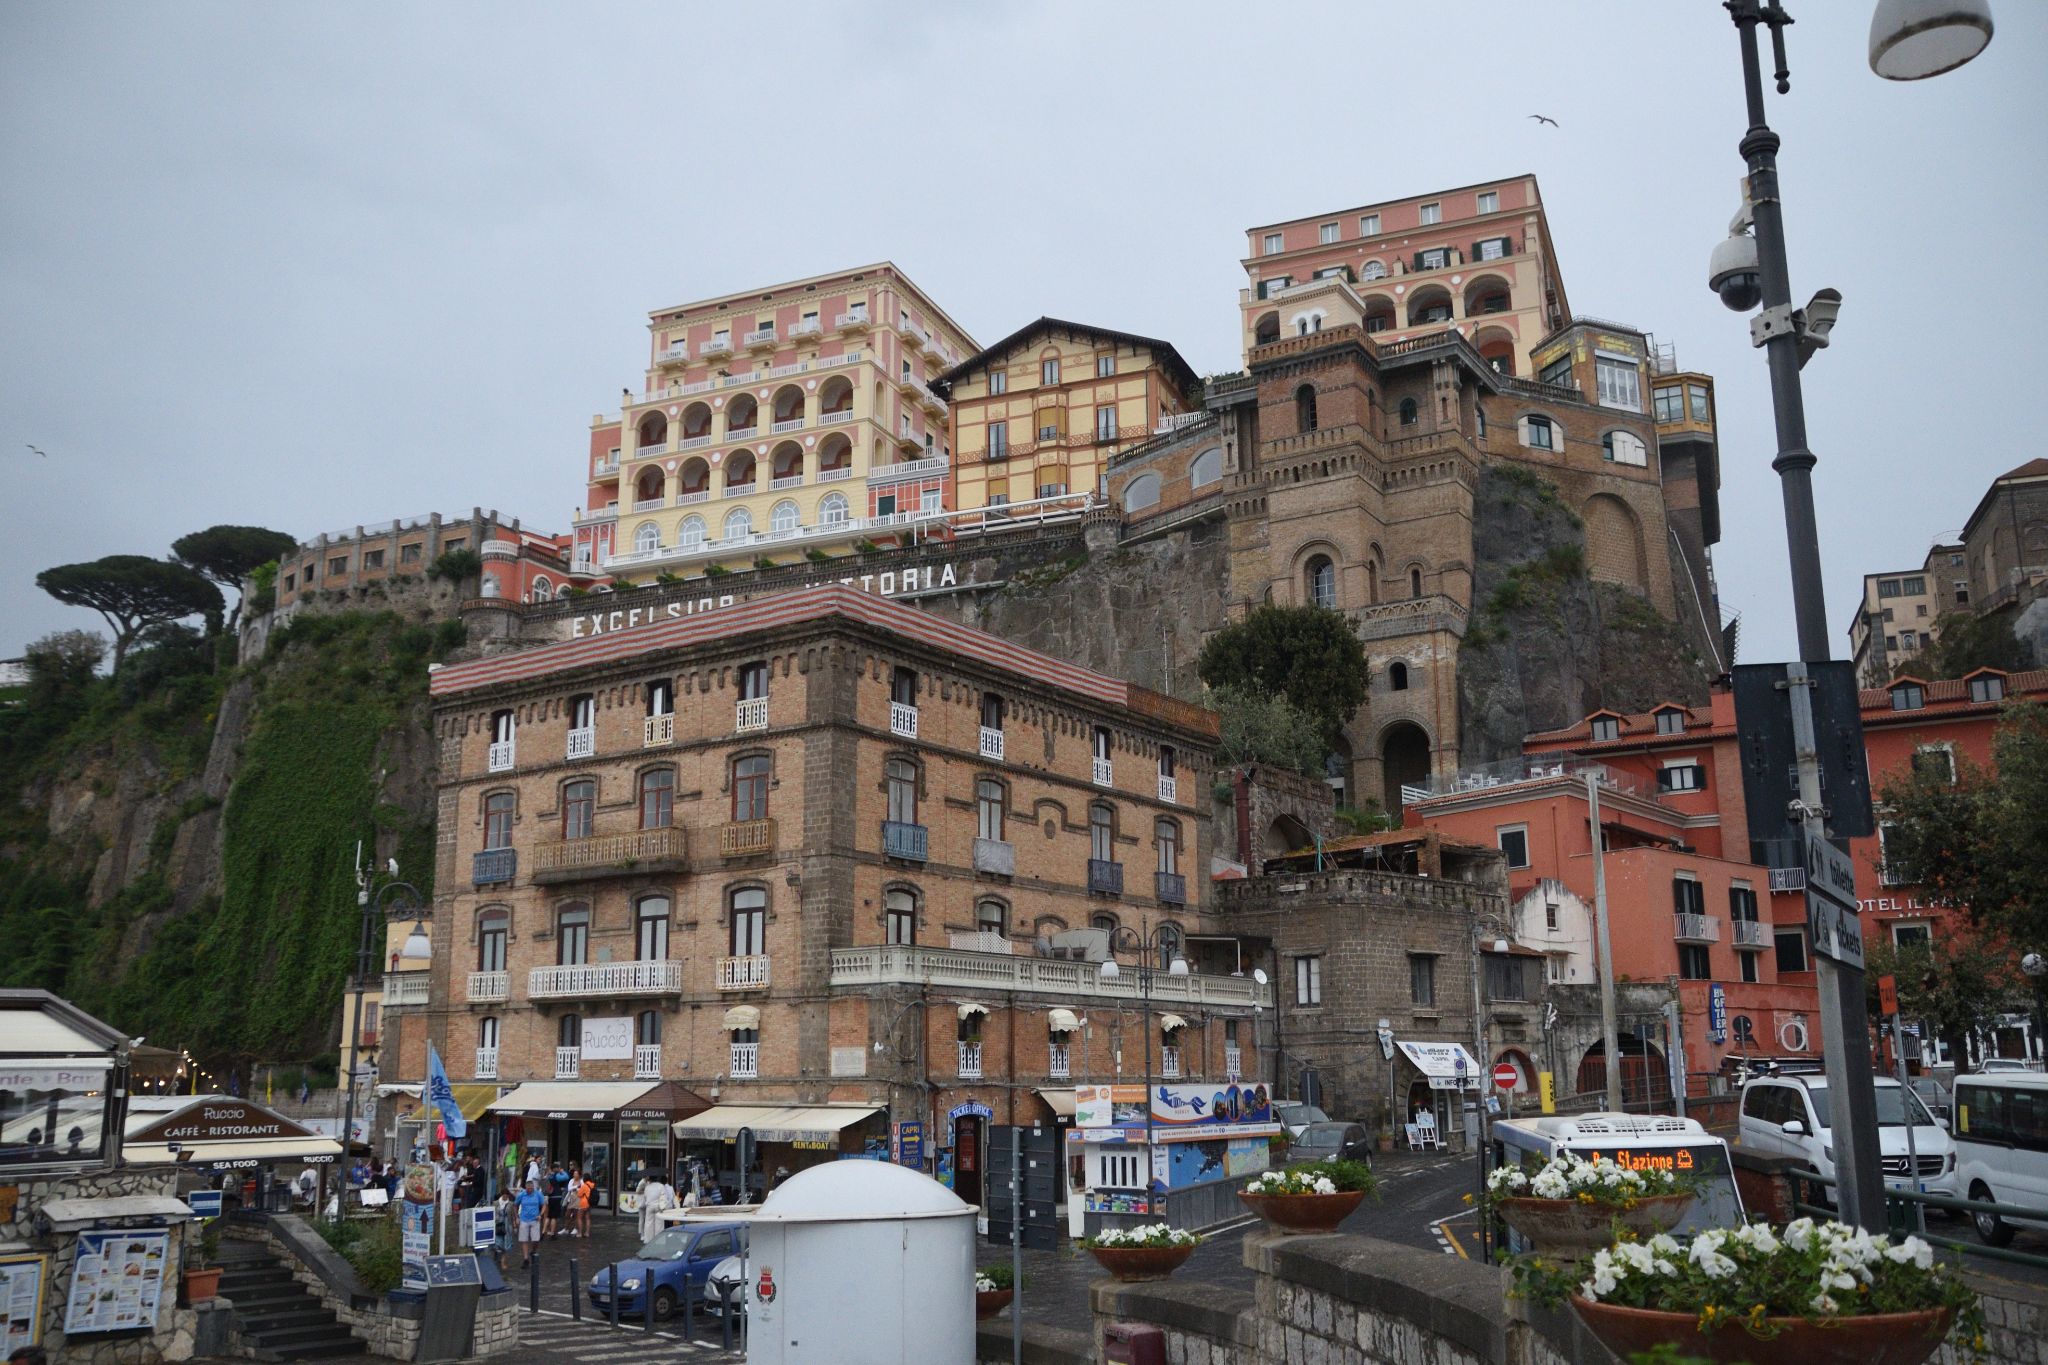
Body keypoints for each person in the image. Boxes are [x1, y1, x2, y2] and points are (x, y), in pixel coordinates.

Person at [513, 1179, 545, 1269]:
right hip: (524, 1219)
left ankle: (533, 1250)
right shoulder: (522, 1195)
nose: (529, 1190)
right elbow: (515, 1205)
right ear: (526, 1188)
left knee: (536, 1240)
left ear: (533, 1188)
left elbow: (544, 1205)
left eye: (531, 1189)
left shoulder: (538, 1194)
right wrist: (517, 1217)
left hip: (535, 1219)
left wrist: (540, 1214)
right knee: (524, 1239)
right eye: (528, 1189)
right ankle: (526, 1258)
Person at [637, 1168, 673, 1243]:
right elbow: (663, 1197)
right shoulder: (661, 1186)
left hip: (649, 1207)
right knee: (659, 1224)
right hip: (658, 1207)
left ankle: (648, 1240)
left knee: (648, 1224)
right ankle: (659, 1241)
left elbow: (645, 1196)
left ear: (650, 1179)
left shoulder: (647, 1187)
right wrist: (663, 1207)